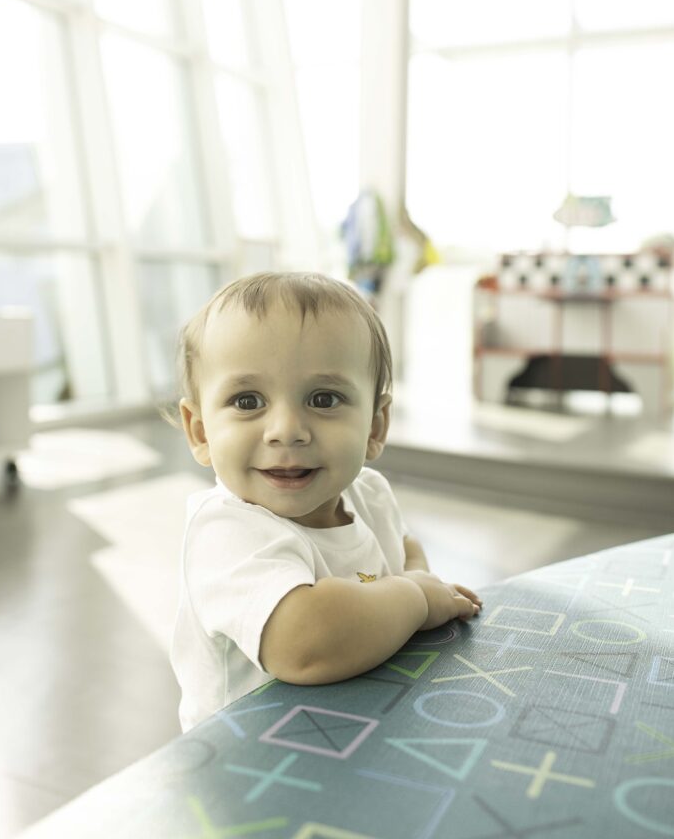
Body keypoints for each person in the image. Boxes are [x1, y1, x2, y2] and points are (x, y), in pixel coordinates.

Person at [169, 271, 482, 732]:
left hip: (353, 728)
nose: (286, 430)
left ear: (375, 427)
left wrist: (414, 574)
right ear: (200, 432)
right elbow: (305, 643)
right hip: (253, 764)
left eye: (323, 398)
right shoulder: (226, 532)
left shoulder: (368, 492)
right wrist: (415, 597)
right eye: (248, 400)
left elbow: (404, 549)